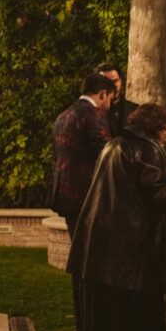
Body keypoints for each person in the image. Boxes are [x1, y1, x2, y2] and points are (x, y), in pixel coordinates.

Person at [66, 103, 166, 331]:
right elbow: (159, 195)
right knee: (137, 295)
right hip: (133, 234)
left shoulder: (114, 144)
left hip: (106, 230)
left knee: (115, 297)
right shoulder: (148, 148)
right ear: (155, 127)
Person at [51, 73, 115, 238]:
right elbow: (108, 154)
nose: (110, 105)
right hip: (88, 196)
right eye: (110, 99)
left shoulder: (62, 116)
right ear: (103, 94)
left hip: (65, 194)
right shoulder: (93, 114)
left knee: (77, 251)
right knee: (92, 253)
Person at [96, 63, 138, 138]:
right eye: (106, 82)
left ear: (121, 81)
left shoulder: (135, 109)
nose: (113, 86)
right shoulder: (92, 111)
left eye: (115, 81)